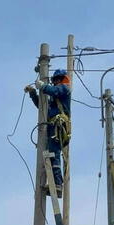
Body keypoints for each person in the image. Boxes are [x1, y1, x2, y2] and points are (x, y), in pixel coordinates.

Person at [25, 69, 71, 197]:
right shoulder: (54, 98)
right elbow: (42, 107)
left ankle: (57, 184)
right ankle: (53, 182)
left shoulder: (65, 89)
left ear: (60, 79)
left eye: (56, 80)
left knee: (54, 153)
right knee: (50, 153)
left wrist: (43, 86)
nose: (55, 82)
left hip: (59, 126)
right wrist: (33, 93)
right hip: (52, 126)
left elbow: (55, 90)